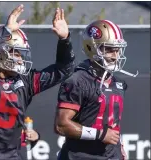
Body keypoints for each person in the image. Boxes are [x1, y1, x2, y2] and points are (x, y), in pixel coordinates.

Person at [0, 4, 75, 160]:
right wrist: (5, 32)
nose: (20, 59)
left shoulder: (26, 80)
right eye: (16, 53)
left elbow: (64, 70)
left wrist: (65, 40)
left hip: (10, 156)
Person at [54, 19, 138, 160]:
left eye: (117, 49)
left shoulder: (118, 83)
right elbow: (62, 125)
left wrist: (120, 148)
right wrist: (100, 134)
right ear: (92, 48)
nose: (115, 55)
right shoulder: (77, 81)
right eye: (110, 49)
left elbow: (113, 125)